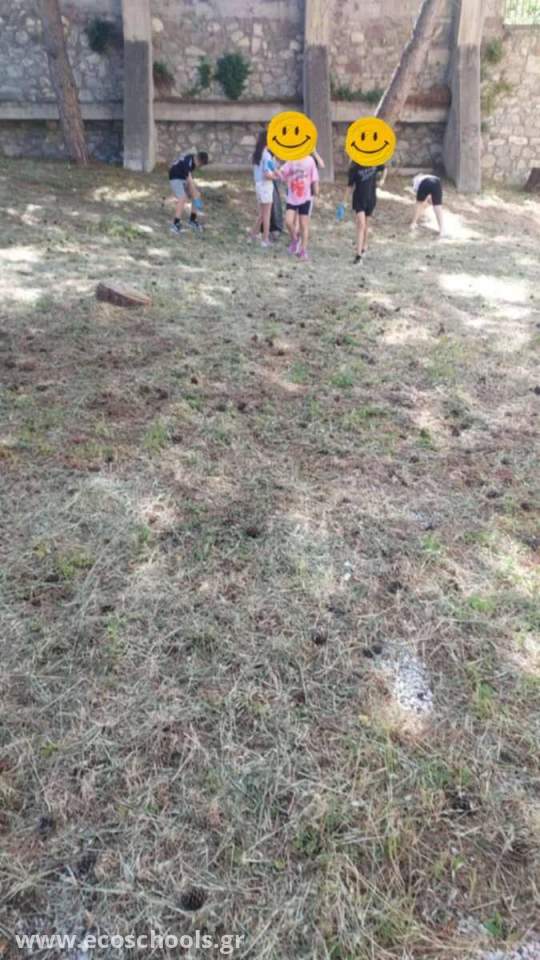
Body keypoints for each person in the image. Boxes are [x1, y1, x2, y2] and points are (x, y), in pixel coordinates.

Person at [274, 154, 319, 261]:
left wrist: (316, 190)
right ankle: (295, 240)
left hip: (305, 197)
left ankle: (303, 251)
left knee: (304, 225)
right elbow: (283, 174)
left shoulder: (310, 160)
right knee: (288, 222)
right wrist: (278, 172)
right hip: (292, 198)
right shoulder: (292, 159)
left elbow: (314, 177)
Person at [344, 163, 386, 264]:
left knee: (366, 224)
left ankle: (364, 246)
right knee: (361, 225)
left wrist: (382, 179)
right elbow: (349, 186)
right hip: (359, 199)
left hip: (371, 198)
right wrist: (344, 201)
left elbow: (384, 168)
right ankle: (358, 255)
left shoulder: (373, 161)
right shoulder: (354, 167)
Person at [168, 150, 209, 234]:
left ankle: (192, 220)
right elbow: (190, 181)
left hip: (183, 178)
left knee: (197, 194)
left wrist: (196, 196)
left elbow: (189, 179)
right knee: (182, 198)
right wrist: (198, 203)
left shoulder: (193, 159)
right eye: (200, 165)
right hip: (175, 177)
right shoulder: (188, 162)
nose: (199, 167)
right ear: (198, 161)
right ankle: (175, 224)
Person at [250, 129, 275, 248]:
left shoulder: (257, 154)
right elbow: (267, 174)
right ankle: (265, 239)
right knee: (266, 215)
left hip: (259, 185)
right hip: (266, 185)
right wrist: (278, 177)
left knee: (262, 214)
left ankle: (252, 235)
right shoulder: (267, 155)